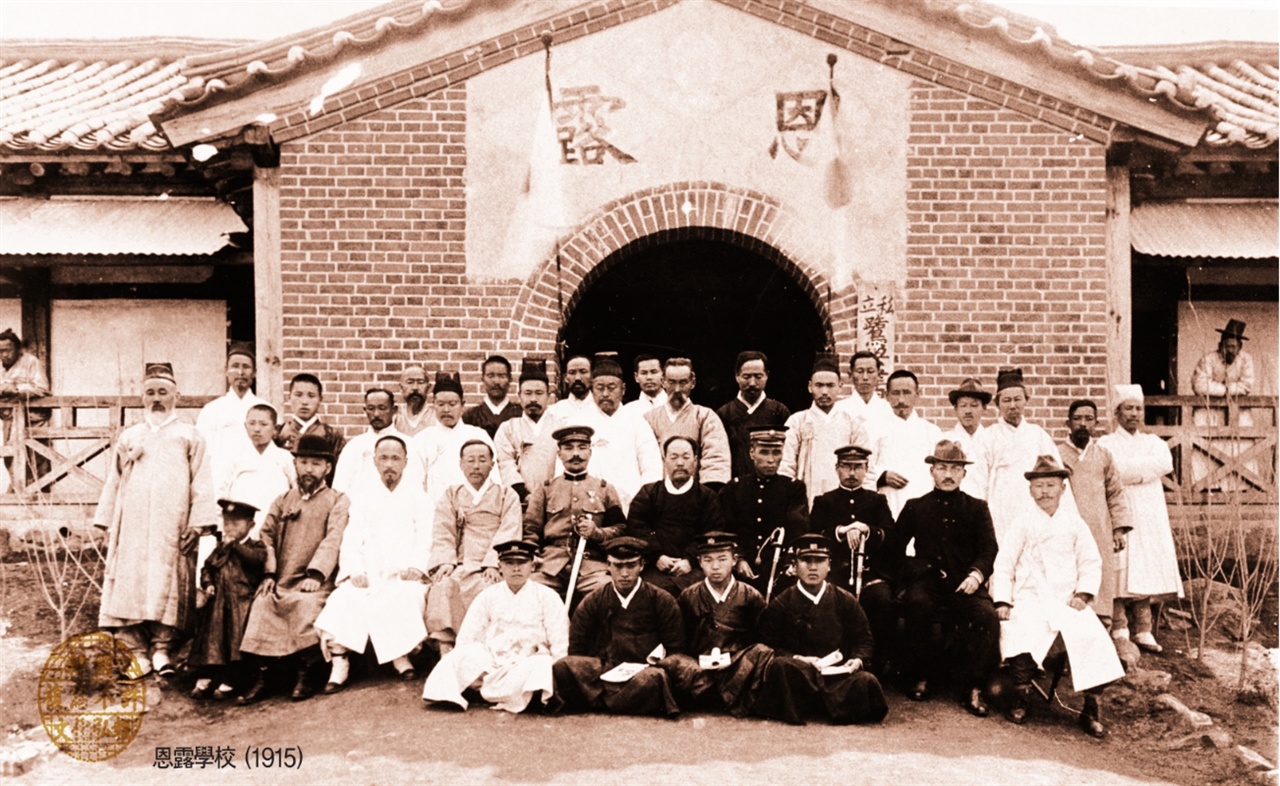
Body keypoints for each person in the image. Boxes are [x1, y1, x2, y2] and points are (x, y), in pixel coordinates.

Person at [95, 362, 217, 678]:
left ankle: (163, 649)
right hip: (133, 527)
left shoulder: (189, 436)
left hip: (171, 527)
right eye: (150, 393)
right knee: (132, 582)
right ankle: (136, 651)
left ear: (176, 395)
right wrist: (104, 523)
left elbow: (202, 483)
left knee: (168, 582)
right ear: (142, 398)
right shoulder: (130, 436)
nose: (157, 399)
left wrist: (197, 525)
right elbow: (114, 479)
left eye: (163, 392)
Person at [992, 455, 1124, 737]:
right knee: (1021, 631)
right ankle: (1021, 696)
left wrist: (1083, 594)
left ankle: (1091, 705)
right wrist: (1003, 600)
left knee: (1092, 636)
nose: (1044, 492)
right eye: (1038, 486)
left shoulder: (1075, 524)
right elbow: (1003, 564)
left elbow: (1091, 561)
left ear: (1063, 488)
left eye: (1051, 485)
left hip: (1067, 599)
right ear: (1030, 490)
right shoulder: (1022, 523)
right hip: (1030, 596)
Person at [883, 440, 999, 717]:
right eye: (942, 467)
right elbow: (895, 548)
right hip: (928, 581)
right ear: (932, 471)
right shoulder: (915, 506)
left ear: (963, 474)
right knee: (917, 604)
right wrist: (917, 571)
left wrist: (976, 574)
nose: (948, 474)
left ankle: (974, 686)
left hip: (965, 582)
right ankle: (921, 674)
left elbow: (988, 548)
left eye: (955, 469)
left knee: (986, 616)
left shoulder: (977, 508)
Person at [237, 434, 350, 704]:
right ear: (295, 465)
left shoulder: (337, 500)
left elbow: (334, 539)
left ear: (327, 468)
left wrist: (315, 574)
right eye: (303, 462)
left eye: (315, 464)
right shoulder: (283, 500)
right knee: (263, 603)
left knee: (305, 604)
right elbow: (266, 537)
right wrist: (269, 574)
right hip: (282, 577)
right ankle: (265, 675)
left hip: (316, 580)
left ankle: (306, 672)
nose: (308, 469)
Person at [314, 435, 430, 691]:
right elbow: (351, 538)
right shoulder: (363, 498)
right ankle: (340, 662)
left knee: (406, 595)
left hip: (403, 573)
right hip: (368, 571)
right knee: (344, 599)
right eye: (384, 458)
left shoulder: (418, 497)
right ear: (375, 462)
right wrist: (355, 570)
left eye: (395, 458)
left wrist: (417, 567)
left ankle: (400, 655)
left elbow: (426, 537)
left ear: (406, 462)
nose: (389, 464)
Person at [753, 533, 888, 725]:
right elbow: (769, 645)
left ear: (829, 565)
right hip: (801, 674)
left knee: (866, 680)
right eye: (806, 561)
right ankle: (829, 707)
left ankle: (820, 704)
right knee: (780, 667)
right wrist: (799, 659)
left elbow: (863, 640)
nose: (813, 567)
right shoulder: (782, 602)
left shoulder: (844, 599)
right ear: (795, 565)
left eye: (820, 561)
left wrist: (856, 661)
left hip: (836, 676)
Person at [421, 540, 570, 713]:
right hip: (493, 661)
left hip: (528, 660)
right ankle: (496, 693)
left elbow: (560, 637)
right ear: (500, 566)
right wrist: (469, 658)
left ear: (532, 566)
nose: (516, 569)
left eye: (522, 563)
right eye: (509, 563)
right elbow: (468, 635)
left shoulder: (547, 596)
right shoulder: (488, 596)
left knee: (542, 665)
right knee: (459, 656)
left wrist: (557, 669)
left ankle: (496, 694)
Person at [549, 536, 688, 717]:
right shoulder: (593, 600)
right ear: (608, 565)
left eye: (631, 566)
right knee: (564, 666)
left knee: (656, 679)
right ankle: (623, 701)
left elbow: (675, 646)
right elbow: (578, 647)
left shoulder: (661, 599)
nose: (624, 573)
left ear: (642, 565)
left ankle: (602, 701)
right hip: (605, 670)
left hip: (643, 671)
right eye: (618, 566)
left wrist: (652, 664)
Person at [1097, 384, 1184, 653]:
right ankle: (1120, 626)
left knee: (1144, 565)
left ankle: (1143, 629)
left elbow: (1163, 463)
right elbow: (1112, 472)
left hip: (1148, 514)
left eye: (1138, 409)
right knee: (1119, 565)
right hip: (1119, 509)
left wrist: (1129, 472)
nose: (1134, 414)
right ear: (1117, 413)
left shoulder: (1153, 443)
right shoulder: (1105, 444)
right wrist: (1142, 472)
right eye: (1128, 408)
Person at [426, 439, 523, 653]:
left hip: (490, 565)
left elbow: (509, 529)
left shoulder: (506, 494)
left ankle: (484, 649)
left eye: (482, 460)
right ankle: (446, 646)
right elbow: (443, 530)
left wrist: (493, 563)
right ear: (461, 464)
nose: (476, 466)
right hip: (460, 563)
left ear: (492, 464)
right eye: (470, 460)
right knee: (444, 586)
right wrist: (446, 561)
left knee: (490, 590)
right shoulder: (452, 494)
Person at [808, 445, 895, 673]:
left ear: (866, 469)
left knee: (882, 598)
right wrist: (841, 531)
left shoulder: (877, 501)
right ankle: (833, 658)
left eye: (858, 467)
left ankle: (876, 660)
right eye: (846, 466)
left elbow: (891, 536)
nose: (852, 473)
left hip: (869, 572)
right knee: (829, 599)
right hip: (834, 571)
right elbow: (814, 536)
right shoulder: (824, 501)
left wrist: (867, 529)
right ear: (837, 469)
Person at [522, 425, 627, 599]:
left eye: (582, 448)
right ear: (559, 454)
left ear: (590, 453)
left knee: (606, 591)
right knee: (531, 592)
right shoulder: (546, 489)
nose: (575, 454)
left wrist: (597, 532)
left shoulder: (604, 489)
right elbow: (531, 530)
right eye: (568, 448)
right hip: (551, 565)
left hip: (592, 566)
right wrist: (533, 556)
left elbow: (621, 530)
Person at [675, 532, 774, 716]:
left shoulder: (750, 595)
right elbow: (681, 638)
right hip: (700, 666)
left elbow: (761, 636)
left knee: (762, 651)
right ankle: (726, 696)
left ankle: (716, 696)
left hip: (736, 666)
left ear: (734, 560)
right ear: (699, 562)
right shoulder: (688, 595)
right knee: (674, 662)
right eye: (708, 560)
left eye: (722, 559)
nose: (715, 567)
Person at [967, 368, 1065, 542]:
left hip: (1035, 511)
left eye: (1017, 399)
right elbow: (976, 482)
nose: (1012, 405)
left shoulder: (1039, 435)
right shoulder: (987, 437)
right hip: (1000, 514)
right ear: (998, 404)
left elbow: (1058, 480)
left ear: (1026, 401)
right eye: (1006, 400)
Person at [1058, 399, 1132, 627]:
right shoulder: (1056, 453)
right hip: (1066, 528)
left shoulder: (1103, 455)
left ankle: (1103, 625)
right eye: (1077, 419)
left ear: (1096, 424)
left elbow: (1115, 493)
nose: (1082, 424)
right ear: (1068, 423)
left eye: (1088, 419)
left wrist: (1118, 529)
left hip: (1099, 529)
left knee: (1099, 573)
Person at [627, 436, 725, 596]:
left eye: (686, 457)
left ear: (695, 460)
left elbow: (712, 532)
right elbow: (636, 527)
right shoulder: (649, 493)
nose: (680, 463)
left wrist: (690, 559)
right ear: (664, 460)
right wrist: (656, 555)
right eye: (674, 457)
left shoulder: (707, 497)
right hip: (654, 567)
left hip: (694, 569)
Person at [716, 426, 808, 595]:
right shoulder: (734, 488)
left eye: (776, 452)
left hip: (780, 569)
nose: (771, 459)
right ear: (752, 453)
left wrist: (789, 563)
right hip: (741, 568)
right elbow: (726, 528)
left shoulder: (793, 488)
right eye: (764, 452)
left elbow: (797, 531)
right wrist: (739, 559)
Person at [189, 499, 266, 700]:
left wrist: (235, 547)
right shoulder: (220, 548)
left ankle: (233, 678)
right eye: (227, 523)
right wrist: (208, 584)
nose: (230, 528)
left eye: (236, 524)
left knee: (234, 642)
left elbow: (256, 562)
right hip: (218, 603)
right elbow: (208, 567)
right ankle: (208, 675)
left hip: (241, 603)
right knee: (212, 640)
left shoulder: (255, 547)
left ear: (250, 526)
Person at [780, 353, 869, 507]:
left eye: (830, 385)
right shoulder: (797, 421)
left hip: (845, 498)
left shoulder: (853, 422)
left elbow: (866, 467)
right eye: (819, 385)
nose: (825, 392)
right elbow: (786, 466)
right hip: (806, 497)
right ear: (810, 386)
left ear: (840, 386)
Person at [642, 358, 732, 487]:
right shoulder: (649, 419)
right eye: (672, 382)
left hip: (696, 495)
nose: (677, 389)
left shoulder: (705, 416)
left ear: (692, 383)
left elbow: (716, 459)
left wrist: (705, 494)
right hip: (658, 494)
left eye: (683, 382)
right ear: (663, 382)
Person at [1191, 319, 1257, 490]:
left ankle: (1239, 486)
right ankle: (1206, 486)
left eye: (1234, 346)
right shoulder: (1208, 359)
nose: (1230, 350)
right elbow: (1199, 385)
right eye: (1227, 346)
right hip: (1210, 413)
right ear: (1221, 345)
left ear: (1240, 347)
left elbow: (1247, 385)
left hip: (1238, 414)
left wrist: (1221, 389)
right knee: (1207, 447)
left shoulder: (1246, 360)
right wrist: (1226, 390)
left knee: (1240, 448)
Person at [412, 371, 494, 507]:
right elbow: (415, 483)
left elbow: (493, 479)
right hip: (435, 512)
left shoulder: (479, 436)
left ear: (462, 404)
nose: (446, 409)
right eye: (441, 404)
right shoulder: (422, 440)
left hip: (474, 511)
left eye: (452, 404)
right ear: (433, 405)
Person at [196, 343, 266, 497]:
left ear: (254, 373)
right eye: (235, 366)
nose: (240, 372)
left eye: (246, 367)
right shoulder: (211, 410)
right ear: (226, 370)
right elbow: (202, 454)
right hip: (219, 481)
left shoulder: (266, 409)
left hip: (254, 479)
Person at [871, 369, 943, 517]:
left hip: (924, 503)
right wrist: (882, 476)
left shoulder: (932, 431)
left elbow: (941, 471)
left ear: (917, 394)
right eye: (895, 393)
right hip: (889, 501)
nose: (901, 400)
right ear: (886, 396)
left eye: (907, 392)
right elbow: (864, 467)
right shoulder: (874, 429)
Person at [220, 403, 295, 535]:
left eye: (263, 424)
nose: (256, 429)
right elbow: (221, 491)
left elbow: (296, 491)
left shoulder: (285, 458)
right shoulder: (235, 457)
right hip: (241, 528)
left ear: (275, 428)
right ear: (245, 426)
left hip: (274, 526)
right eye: (252, 423)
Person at [716, 351, 791, 480]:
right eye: (746, 377)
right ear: (737, 376)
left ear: (767, 376)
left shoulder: (780, 411)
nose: (752, 383)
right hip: (736, 486)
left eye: (758, 376)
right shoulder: (725, 413)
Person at [332, 388, 417, 501]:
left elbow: (416, 485)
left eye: (382, 408)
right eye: (371, 409)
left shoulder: (409, 445)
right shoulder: (354, 446)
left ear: (394, 410)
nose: (376, 414)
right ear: (365, 410)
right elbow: (340, 488)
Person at [494, 358, 552, 503]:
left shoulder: (561, 428)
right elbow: (505, 464)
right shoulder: (508, 429)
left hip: (554, 501)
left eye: (539, 393)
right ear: (519, 396)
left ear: (548, 397)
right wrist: (524, 494)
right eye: (528, 393)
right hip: (520, 501)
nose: (533, 399)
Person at [0, 327, 50, 491]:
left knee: (37, 459)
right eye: (0, 351)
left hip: (34, 419)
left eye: (7, 350)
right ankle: (19, 493)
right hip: (10, 419)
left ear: (17, 349)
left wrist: (16, 388)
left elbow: (42, 388)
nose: (4, 355)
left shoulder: (30, 362)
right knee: (11, 457)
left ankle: (39, 498)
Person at [274, 373, 345, 463]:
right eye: (298, 395)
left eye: (311, 396)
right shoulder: (278, 433)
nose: (304, 402)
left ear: (320, 399)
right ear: (289, 397)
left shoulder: (331, 436)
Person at [832, 350, 894, 444]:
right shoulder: (838, 409)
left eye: (870, 371)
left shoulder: (888, 409)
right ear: (851, 374)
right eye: (860, 371)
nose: (865, 377)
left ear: (879, 374)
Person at [463, 355, 523, 438]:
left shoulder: (520, 414)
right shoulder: (470, 416)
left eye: (502, 376)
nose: (496, 381)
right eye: (490, 376)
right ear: (482, 379)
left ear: (510, 379)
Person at [944, 378, 991, 459]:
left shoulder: (991, 440)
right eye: (963, 405)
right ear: (956, 408)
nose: (968, 411)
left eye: (974, 405)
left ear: (984, 407)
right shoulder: (945, 440)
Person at [545, 354, 596, 422]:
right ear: (565, 378)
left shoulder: (601, 409)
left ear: (592, 377)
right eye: (572, 372)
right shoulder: (554, 412)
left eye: (583, 372)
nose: (577, 378)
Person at [393, 364, 437, 437]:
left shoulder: (436, 418)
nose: (415, 387)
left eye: (420, 382)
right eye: (410, 382)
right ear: (401, 387)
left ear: (428, 388)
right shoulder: (394, 419)